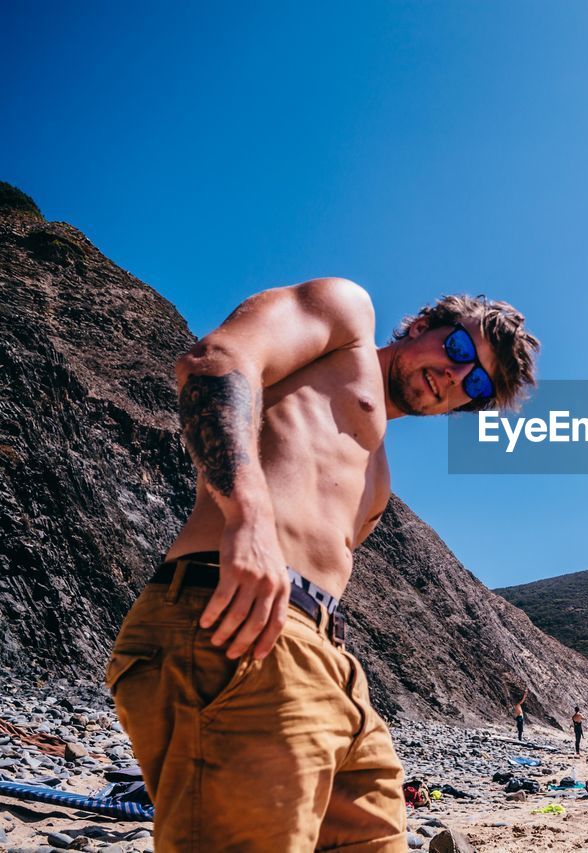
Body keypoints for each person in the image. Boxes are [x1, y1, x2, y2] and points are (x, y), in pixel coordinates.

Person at [104, 280, 539, 851]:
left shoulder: (378, 474)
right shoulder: (345, 317)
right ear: (421, 325)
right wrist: (250, 514)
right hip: (237, 623)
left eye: (475, 384)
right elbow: (216, 360)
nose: (456, 377)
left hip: (326, 664)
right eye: (458, 350)